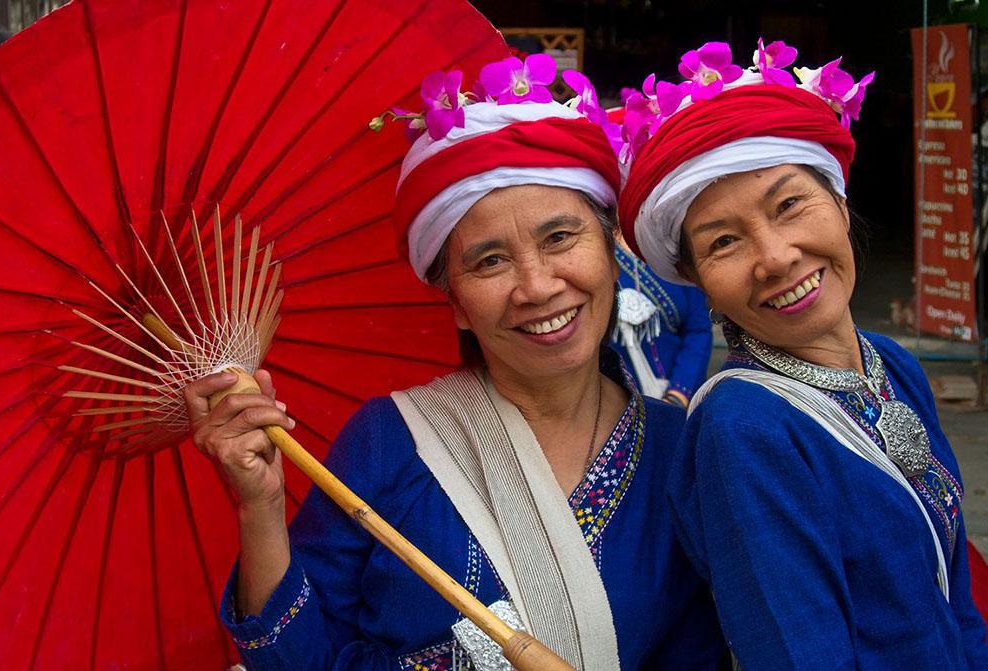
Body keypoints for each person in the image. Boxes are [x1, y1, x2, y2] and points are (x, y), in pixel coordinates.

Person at [185, 55, 726, 670]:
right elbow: (291, 661)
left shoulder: (678, 451)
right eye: (490, 261)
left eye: (559, 239)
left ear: (610, 251)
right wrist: (259, 509)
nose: (537, 286)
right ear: (457, 303)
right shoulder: (392, 441)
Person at [618, 39, 988, 669]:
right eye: (724, 242)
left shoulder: (891, 364)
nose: (776, 257)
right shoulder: (744, 430)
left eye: (790, 205)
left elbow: (956, 601)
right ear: (700, 281)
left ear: (841, 206)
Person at [610, 241, 712, 406]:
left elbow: (698, 330)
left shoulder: (671, 249)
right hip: (618, 402)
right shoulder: (599, 252)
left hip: (682, 398)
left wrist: (678, 395)